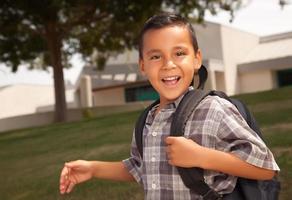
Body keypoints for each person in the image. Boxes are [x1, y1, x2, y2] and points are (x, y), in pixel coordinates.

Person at [59, 12, 280, 199]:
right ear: (143, 65)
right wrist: (94, 168)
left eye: (179, 53)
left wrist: (201, 156)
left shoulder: (213, 109)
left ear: (196, 59)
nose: (168, 64)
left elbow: (266, 168)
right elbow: (140, 166)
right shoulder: (147, 119)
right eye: (156, 56)